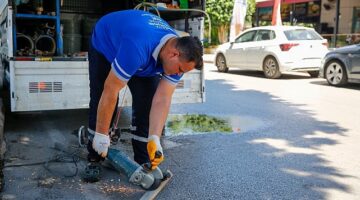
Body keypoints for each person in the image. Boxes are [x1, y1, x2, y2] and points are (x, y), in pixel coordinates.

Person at [84, 9, 203, 182]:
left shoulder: (176, 57)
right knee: (101, 96)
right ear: (174, 54)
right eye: (180, 70)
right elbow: (110, 90)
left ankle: (144, 160)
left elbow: (162, 98)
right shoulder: (137, 46)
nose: (179, 74)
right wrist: (102, 135)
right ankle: (95, 156)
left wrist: (155, 138)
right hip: (106, 43)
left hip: (140, 51)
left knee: (146, 104)